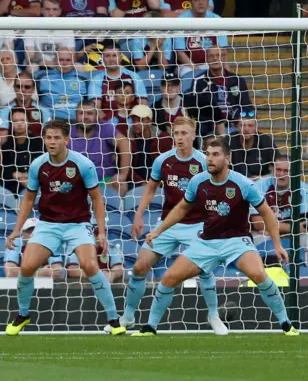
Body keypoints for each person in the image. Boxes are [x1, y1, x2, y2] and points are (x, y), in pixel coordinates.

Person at [133, 137, 299, 337]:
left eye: (215, 155)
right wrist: (159, 230)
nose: (210, 159)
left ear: (227, 159)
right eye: (208, 154)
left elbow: (267, 214)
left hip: (236, 241)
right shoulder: (198, 181)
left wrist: (277, 245)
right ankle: (150, 327)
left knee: (258, 274)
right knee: (168, 278)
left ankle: (286, 324)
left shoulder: (243, 184)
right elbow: (182, 208)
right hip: (207, 242)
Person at [4, 120, 126, 336]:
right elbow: (29, 199)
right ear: (44, 139)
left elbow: (97, 199)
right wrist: (17, 229)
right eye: (48, 137)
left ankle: (114, 319)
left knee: (89, 265)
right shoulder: (38, 165)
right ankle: (23, 315)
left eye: (57, 137)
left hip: (78, 224)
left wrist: (102, 232)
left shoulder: (83, 164)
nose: (52, 141)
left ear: (67, 140)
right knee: (27, 267)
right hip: (48, 224)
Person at [123, 116, 227, 334]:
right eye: (176, 133)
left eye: (184, 133)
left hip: (197, 224)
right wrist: (139, 215)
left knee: (205, 270)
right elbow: (150, 189)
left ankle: (214, 315)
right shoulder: (163, 161)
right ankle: (128, 316)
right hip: (168, 224)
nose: (179, 138)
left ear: (193, 135)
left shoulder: (202, 162)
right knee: (140, 266)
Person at [250, 155, 308, 257]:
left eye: (286, 171)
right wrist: (292, 228)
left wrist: (270, 227)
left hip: (292, 234)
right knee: (260, 241)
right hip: (264, 235)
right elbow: (258, 223)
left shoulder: (303, 189)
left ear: (293, 173)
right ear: (272, 170)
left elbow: (304, 225)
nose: (281, 174)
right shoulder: (259, 185)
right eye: (278, 170)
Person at [69, 100, 131, 196]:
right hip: (76, 184)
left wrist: (122, 175)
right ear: (76, 115)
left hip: (104, 181)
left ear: (96, 116)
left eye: (89, 113)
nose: (85, 117)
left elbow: (125, 143)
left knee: (121, 185)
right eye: (81, 113)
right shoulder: (67, 133)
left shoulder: (104, 127)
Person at [173, 0, 227, 76]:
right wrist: (198, 72)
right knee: (186, 73)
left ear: (208, 2)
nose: (200, 3)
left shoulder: (217, 20)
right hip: (187, 65)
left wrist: (226, 72)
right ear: (190, 2)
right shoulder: (181, 20)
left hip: (211, 64)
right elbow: (180, 53)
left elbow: (223, 51)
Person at [0, 108, 44, 195]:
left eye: (22, 120)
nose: (19, 124)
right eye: (16, 121)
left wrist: (27, 177)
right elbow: (4, 171)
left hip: (38, 183)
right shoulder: (6, 146)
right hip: (13, 187)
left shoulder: (39, 143)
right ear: (11, 124)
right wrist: (17, 176)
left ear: (28, 122)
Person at [126, 105, 173, 186]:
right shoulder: (127, 139)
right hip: (135, 182)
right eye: (133, 120)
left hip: (160, 182)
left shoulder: (163, 139)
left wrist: (158, 181)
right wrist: (142, 183)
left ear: (149, 121)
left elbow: (169, 165)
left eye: (140, 120)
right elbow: (126, 167)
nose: (135, 124)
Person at [37, 47, 86, 122]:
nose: (64, 63)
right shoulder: (42, 78)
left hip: (76, 122)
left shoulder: (83, 79)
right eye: (61, 60)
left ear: (73, 61)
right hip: (52, 122)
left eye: (68, 60)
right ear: (56, 61)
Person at [227, 109, 278, 179]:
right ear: (237, 127)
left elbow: (279, 165)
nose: (246, 129)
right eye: (242, 125)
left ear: (256, 128)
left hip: (260, 183)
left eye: (250, 125)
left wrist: (263, 178)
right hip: (234, 181)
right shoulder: (229, 140)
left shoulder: (266, 141)